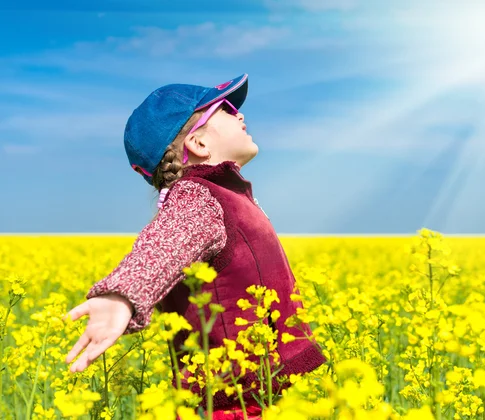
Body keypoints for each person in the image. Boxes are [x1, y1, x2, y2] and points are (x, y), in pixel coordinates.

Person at [62, 73, 326, 419]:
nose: (241, 115)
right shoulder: (197, 197)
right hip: (233, 404)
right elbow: (163, 245)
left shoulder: (226, 194)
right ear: (199, 144)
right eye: (228, 109)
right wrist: (122, 295)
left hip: (262, 396)